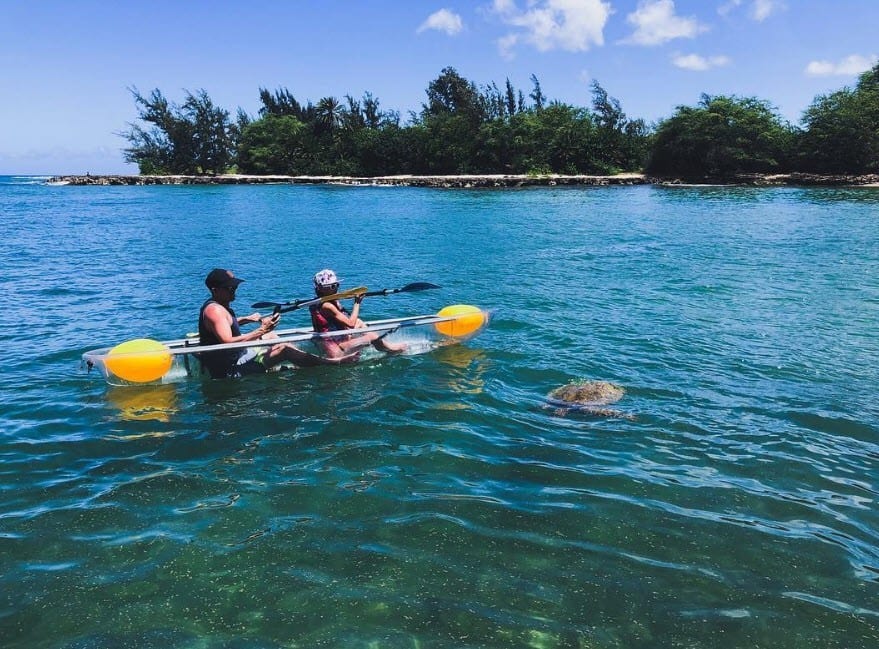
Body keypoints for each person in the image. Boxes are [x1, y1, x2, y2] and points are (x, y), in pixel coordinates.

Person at [199, 268, 346, 379]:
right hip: (230, 369)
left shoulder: (219, 306)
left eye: (235, 287)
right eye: (230, 288)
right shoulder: (215, 311)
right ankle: (328, 363)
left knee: (271, 335)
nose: (234, 290)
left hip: (238, 355)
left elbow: (226, 325)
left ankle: (291, 362)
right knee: (284, 349)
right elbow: (227, 342)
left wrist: (248, 319)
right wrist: (261, 330)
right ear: (215, 290)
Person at [309, 269, 407, 359]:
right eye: (333, 286)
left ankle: (382, 345)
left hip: (329, 342)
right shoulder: (327, 306)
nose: (337, 288)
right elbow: (351, 324)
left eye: (337, 285)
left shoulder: (314, 303)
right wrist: (357, 303)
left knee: (359, 322)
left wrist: (339, 302)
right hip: (337, 350)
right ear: (322, 289)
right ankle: (390, 349)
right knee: (371, 336)